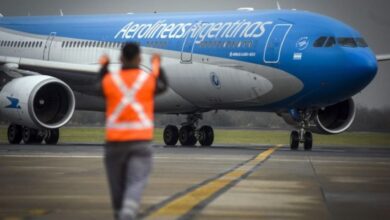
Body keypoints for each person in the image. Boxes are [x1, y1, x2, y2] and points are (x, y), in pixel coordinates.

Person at [100, 42, 167, 220]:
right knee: (135, 182)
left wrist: (104, 66)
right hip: (140, 142)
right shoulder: (147, 80)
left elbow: (100, 86)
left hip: (114, 144)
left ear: (121, 58)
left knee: (117, 186)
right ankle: (128, 212)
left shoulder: (111, 80)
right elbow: (162, 84)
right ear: (139, 58)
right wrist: (156, 64)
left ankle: (119, 213)